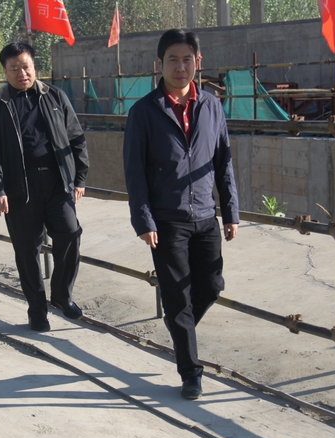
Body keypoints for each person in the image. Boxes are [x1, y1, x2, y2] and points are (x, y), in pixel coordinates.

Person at [123, 29, 239, 400]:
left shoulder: (211, 106)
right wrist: (143, 220)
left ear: (197, 62)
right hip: (167, 219)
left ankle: (179, 327)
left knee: (212, 286)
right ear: (159, 63)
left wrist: (231, 211)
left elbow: (223, 162)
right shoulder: (144, 112)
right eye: (172, 59)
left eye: (187, 59)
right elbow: (135, 172)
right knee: (178, 298)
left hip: (205, 215)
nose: (180, 67)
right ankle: (191, 373)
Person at [0, 42, 89, 332]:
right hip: (20, 188)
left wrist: (79, 178)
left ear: (34, 66)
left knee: (70, 232)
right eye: (14, 68)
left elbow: (76, 137)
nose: (22, 73)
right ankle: (37, 311)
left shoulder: (54, 96)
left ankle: (62, 295)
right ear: (5, 71)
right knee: (27, 251)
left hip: (56, 183)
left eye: (26, 66)